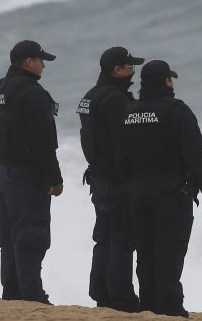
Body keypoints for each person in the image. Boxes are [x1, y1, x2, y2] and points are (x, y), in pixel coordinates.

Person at [119, 60, 202, 318]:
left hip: (138, 195)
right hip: (171, 195)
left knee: (146, 254)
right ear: (166, 81)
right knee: (169, 256)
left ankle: (148, 308)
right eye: (170, 79)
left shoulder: (129, 112)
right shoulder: (177, 111)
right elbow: (196, 154)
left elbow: (122, 157)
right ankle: (171, 310)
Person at [0, 39, 64, 305]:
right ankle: (32, 296)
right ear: (28, 62)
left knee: (9, 236)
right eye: (41, 60)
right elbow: (44, 141)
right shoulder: (32, 93)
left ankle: (12, 293)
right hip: (26, 175)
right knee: (31, 234)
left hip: (3, 172)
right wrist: (55, 179)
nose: (43, 65)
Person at [76, 46, 144, 312]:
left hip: (99, 178)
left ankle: (100, 293)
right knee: (122, 240)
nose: (133, 71)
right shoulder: (117, 100)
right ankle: (123, 300)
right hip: (117, 181)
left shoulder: (90, 96)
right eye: (129, 66)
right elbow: (126, 143)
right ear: (117, 70)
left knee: (103, 238)